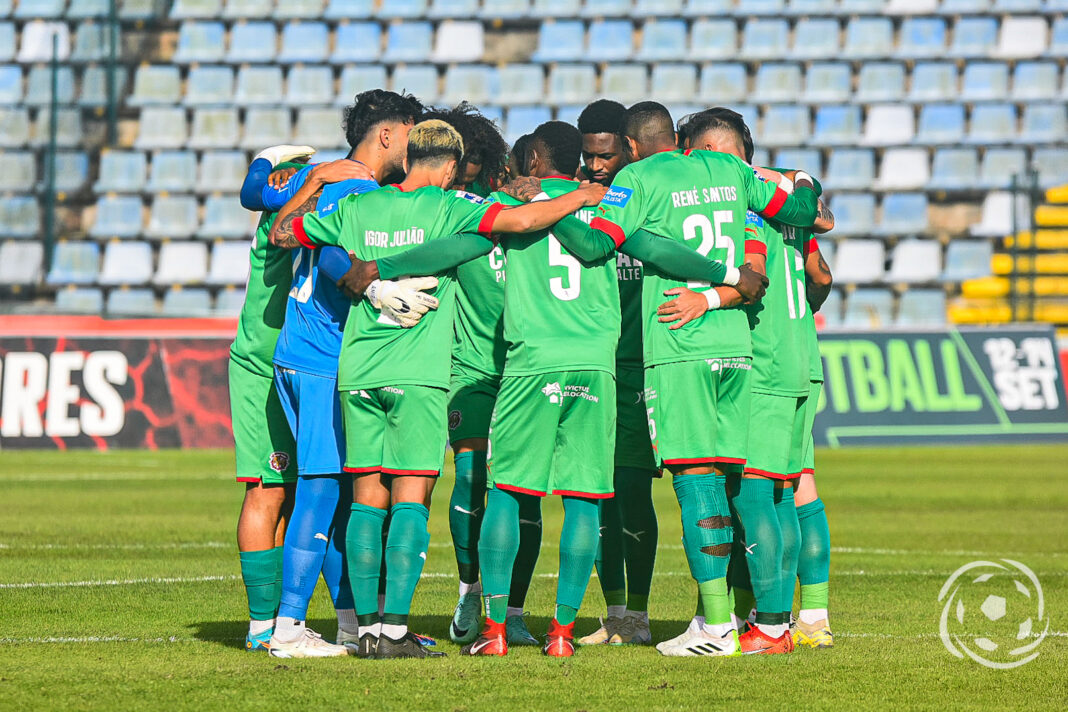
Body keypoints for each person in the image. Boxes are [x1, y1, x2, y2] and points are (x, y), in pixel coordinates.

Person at [268, 119, 609, 658]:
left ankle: (365, 631)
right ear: (451, 168)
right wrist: (582, 197)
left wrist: (311, 196)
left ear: (409, 159)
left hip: (358, 368)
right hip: (418, 372)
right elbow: (520, 221)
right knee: (410, 498)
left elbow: (283, 234)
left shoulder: (359, 207)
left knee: (365, 501)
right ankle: (396, 632)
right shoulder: (452, 209)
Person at [543, 101, 819, 656]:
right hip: (738, 345)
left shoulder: (637, 179)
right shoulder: (731, 171)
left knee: (697, 483)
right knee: (748, 490)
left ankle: (716, 628)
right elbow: (805, 206)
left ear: (634, 145)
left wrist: (550, 211)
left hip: (678, 342)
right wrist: (797, 179)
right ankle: (773, 624)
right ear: (677, 136)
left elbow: (598, 243)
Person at [236, 89, 426, 658]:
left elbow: (268, 214)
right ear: (389, 134)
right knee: (317, 491)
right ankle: (288, 629)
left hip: (298, 351)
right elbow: (338, 261)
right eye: (410, 136)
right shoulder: (360, 192)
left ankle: (348, 622)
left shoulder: (324, 185)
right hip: (322, 357)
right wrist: (375, 286)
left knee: (336, 494)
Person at [670, 108, 822, 655]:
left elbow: (749, 280)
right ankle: (790, 618)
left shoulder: (738, 205)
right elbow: (821, 274)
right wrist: (807, 181)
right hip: (799, 357)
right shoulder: (784, 202)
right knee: (784, 492)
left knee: (755, 494)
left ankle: (773, 626)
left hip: (759, 361)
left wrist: (706, 299)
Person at [437, 114, 543, 648]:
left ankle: (514, 610)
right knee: (472, 477)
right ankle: (469, 589)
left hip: (528, 369)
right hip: (473, 369)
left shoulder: (539, 215)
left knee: (525, 494)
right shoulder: (455, 212)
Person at [575, 99, 660, 647]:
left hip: (640, 368)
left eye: (605, 154)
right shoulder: (579, 202)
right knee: (598, 493)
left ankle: (642, 613)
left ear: (627, 148)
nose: (597, 165)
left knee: (633, 491)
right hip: (594, 365)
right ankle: (615, 613)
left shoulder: (650, 197)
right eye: (589, 155)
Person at [229, 144, 312, 653]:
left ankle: (282, 621)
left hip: (299, 361)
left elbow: (254, 189)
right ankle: (262, 625)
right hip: (263, 364)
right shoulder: (284, 218)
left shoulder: (305, 206)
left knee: (298, 492)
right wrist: (266, 165)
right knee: (268, 489)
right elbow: (253, 193)